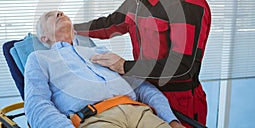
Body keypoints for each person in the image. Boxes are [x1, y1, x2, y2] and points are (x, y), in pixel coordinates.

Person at [74, 0, 211, 127]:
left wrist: (125, 66)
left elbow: (182, 68)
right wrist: (71, 28)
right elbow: (109, 24)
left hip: (180, 104)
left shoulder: (186, 3)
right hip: (146, 95)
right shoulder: (138, 0)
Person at [24, 10, 185, 128]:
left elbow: (142, 86)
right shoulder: (39, 59)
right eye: (49, 16)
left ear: (73, 30)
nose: (59, 13)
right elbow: (37, 105)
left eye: (61, 12)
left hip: (140, 112)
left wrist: (171, 120)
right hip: (95, 119)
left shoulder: (99, 52)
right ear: (43, 38)